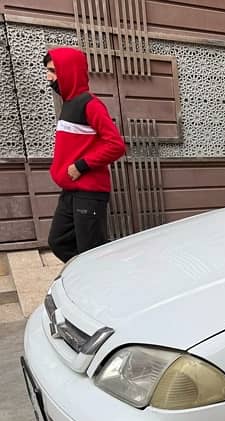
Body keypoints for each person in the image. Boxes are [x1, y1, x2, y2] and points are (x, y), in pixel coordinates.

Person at [44, 48, 126, 262]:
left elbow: (116, 145)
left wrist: (80, 166)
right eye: (47, 71)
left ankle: (100, 284)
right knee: (59, 241)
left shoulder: (90, 105)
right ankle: (85, 279)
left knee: (91, 251)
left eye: (53, 70)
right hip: (71, 190)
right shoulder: (69, 105)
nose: (48, 77)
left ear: (68, 71)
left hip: (89, 191)